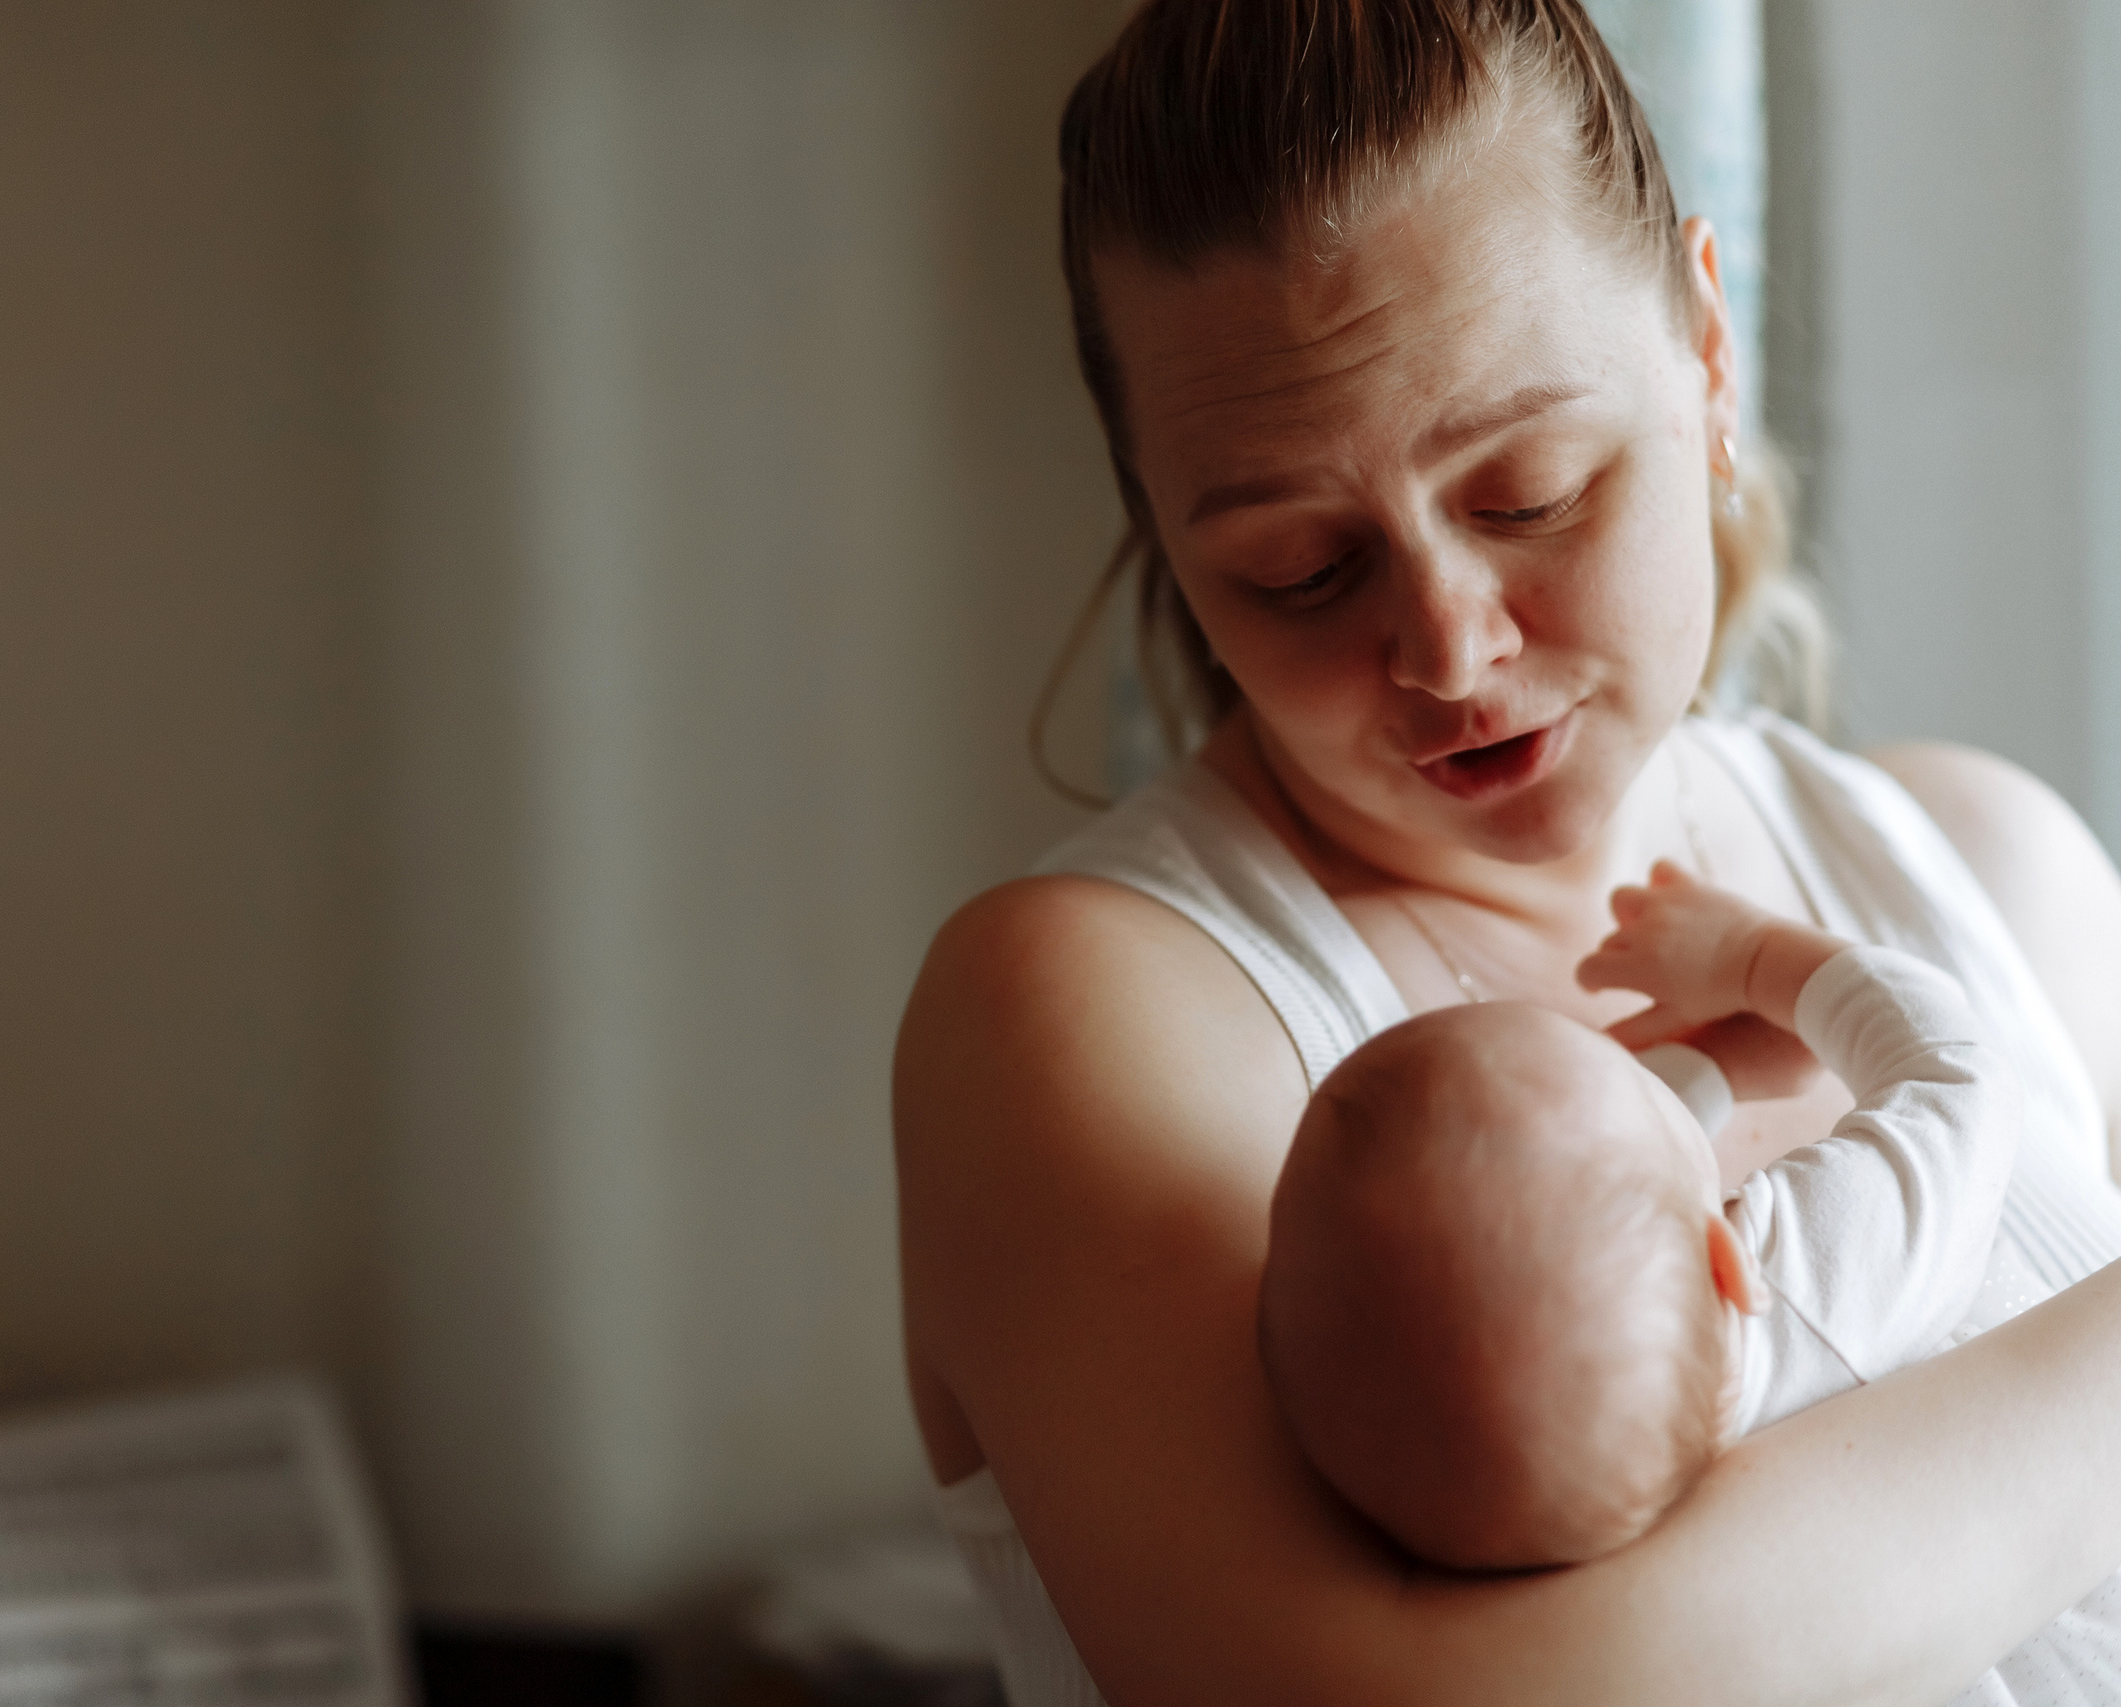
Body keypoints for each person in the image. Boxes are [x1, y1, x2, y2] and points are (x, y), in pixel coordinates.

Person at [890, 3, 2121, 1704]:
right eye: (1302, 568)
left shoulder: (1998, 873)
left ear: (1705, 347)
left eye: (1530, 492)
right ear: (1163, 534)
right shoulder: (1093, 1006)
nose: (1451, 652)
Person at [1262, 864, 2016, 1571]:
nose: (1636, 1064)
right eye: (1633, 1080)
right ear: (1728, 1261)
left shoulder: (1562, 1471)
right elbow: (1959, 1075)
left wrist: (1713, 1073)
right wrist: (1757, 959)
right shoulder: (1810, 1294)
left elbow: (1592, 1212)